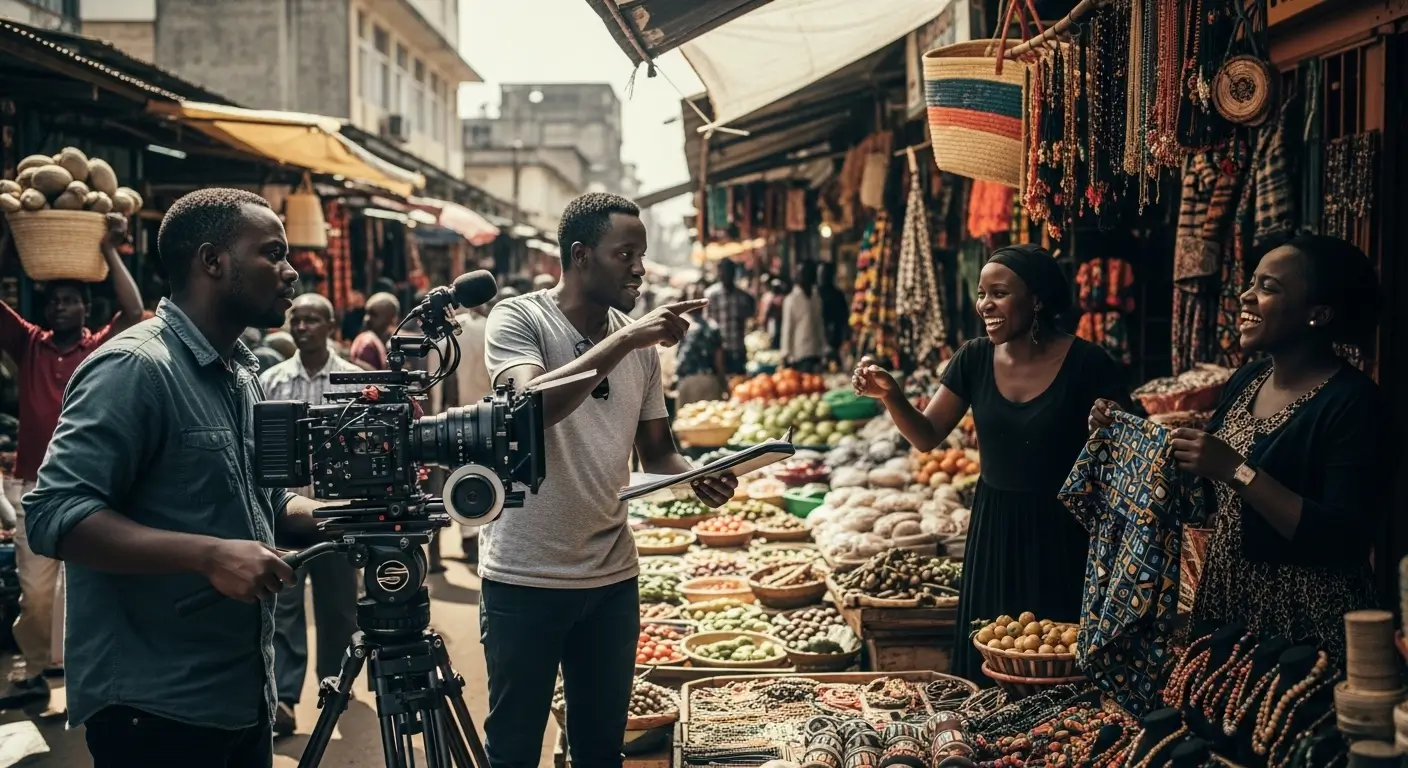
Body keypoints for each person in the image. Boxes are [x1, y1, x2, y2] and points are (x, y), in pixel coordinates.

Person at [21, 188, 328, 767]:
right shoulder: (133, 367)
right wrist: (210, 556)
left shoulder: (241, 372)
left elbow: (262, 502)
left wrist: (336, 518)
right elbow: (53, 514)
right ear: (212, 261)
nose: (291, 272)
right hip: (156, 710)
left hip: (244, 695)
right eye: (273, 253)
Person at [481, 192, 736, 768]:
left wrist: (700, 475)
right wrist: (624, 341)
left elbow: (657, 454)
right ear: (580, 256)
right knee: (515, 747)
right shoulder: (519, 318)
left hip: (612, 577)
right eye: (626, 254)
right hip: (526, 575)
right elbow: (526, 406)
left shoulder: (641, 349)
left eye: (641, 255)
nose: (640, 269)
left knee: (600, 749)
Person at [1091, 235, 1388, 660]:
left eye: (1268, 287)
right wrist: (1124, 434)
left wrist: (1238, 471)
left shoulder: (1356, 405)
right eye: (1251, 282)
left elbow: (1344, 537)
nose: (1246, 296)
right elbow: (1202, 496)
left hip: (1306, 621)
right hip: (1229, 601)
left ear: (1317, 315)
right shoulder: (1247, 381)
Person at [853, 243, 1129, 682]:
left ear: (1037, 299)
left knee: (1056, 660)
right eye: (982, 293)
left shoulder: (1088, 364)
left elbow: (1136, 448)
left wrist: (1109, 428)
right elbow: (926, 435)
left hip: (1063, 534)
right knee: (990, 653)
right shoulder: (974, 358)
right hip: (993, 530)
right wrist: (891, 395)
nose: (985, 305)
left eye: (999, 293)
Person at [0, 213, 144, 708]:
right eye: (52, 301)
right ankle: (35, 670)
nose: (59, 307)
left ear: (85, 308)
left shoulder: (98, 347)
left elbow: (134, 308)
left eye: (69, 301)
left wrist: (109, 250)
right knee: (35, 591)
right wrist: (8, 238)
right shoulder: (29, 346)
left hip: (92, 486)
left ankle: (103, 673)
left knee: (95, 585)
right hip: (33, 484)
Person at [259, 293, 362, 737]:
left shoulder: (354, 381)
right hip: (284, 516)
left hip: (337, 516)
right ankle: (284, 698)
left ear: (330, 326)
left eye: (312, 320)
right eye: (296, 320)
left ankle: (334, 682)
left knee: (338, 607)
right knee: (283, 607)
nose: (302, 327)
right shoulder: (271, 381)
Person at [436, 285, 519, 565]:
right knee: (490, 475)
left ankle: (469, 537)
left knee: (461, 475)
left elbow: (444, 376)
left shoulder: (454, 331)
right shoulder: (495, 331)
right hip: (490, 414)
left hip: (457, 414)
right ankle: (482, 537)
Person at [703, 259, 755, 375]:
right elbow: (707, 322)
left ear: (734, 273)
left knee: (738, 381)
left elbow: (748, 318)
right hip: (718, 351)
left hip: (738, 347)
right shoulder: (711, 295)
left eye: (729, 272)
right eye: (723, 272)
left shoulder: (742, 296)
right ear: (719, 273)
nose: (726, 275)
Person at [781, 261, 827, 372]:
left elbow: (819, 323)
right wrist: (786, 354)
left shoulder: (816, 298)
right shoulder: (791, 300)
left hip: (816, 351)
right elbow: (787, 327)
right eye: (801, 274)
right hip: (799, 353)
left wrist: (823, 347)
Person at [350, 292, 399, 370]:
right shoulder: (367, 343)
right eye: (366, 313)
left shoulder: (398, 343)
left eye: (374, 315)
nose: (366, 319)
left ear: (392, 319)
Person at [818, 262, 850, 365]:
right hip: (817, 341)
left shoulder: (838, 295)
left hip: (835, 340)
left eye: (824, 274)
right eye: (820, 274)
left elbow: (844, 318)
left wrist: (845, 339)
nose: (822, 277)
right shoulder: (815, 295)